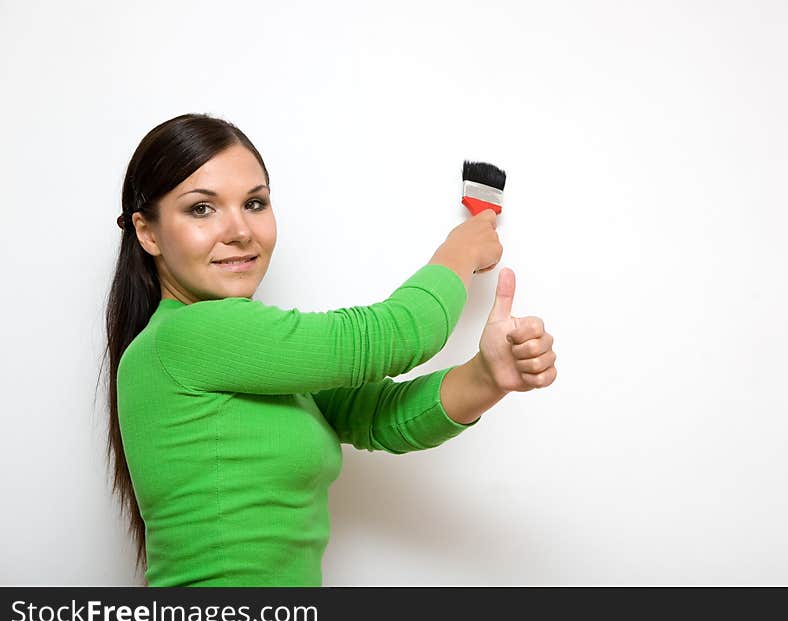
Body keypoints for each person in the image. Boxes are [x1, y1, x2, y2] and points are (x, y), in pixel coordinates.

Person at [101, 112, 558, 586]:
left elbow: (382, 416)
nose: (239, 230)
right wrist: (460, 250)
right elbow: (396, 334)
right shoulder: (186, 336)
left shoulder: (249, 354)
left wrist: (486, 377)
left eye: (255, 204)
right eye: (201, 208)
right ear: (147, 232)